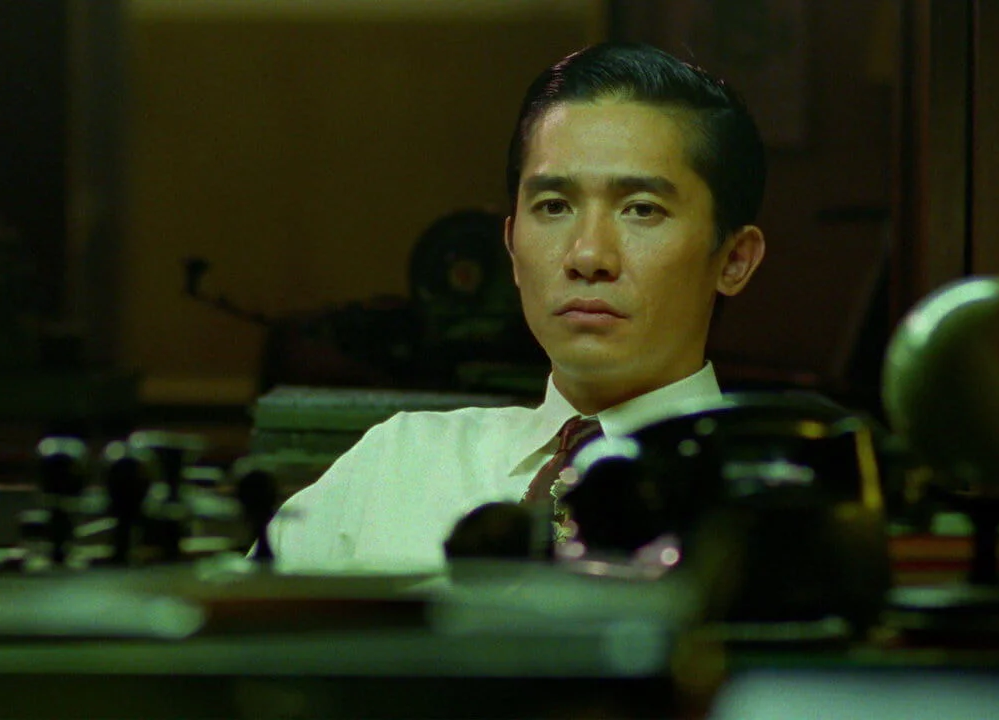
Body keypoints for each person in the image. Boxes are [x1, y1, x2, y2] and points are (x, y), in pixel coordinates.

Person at [268, 42, 766, 573]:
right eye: (554, 206)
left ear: (734, 260)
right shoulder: (398, 462)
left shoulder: (767, 500)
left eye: (642, 209)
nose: (588, 256)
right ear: (511, 247)